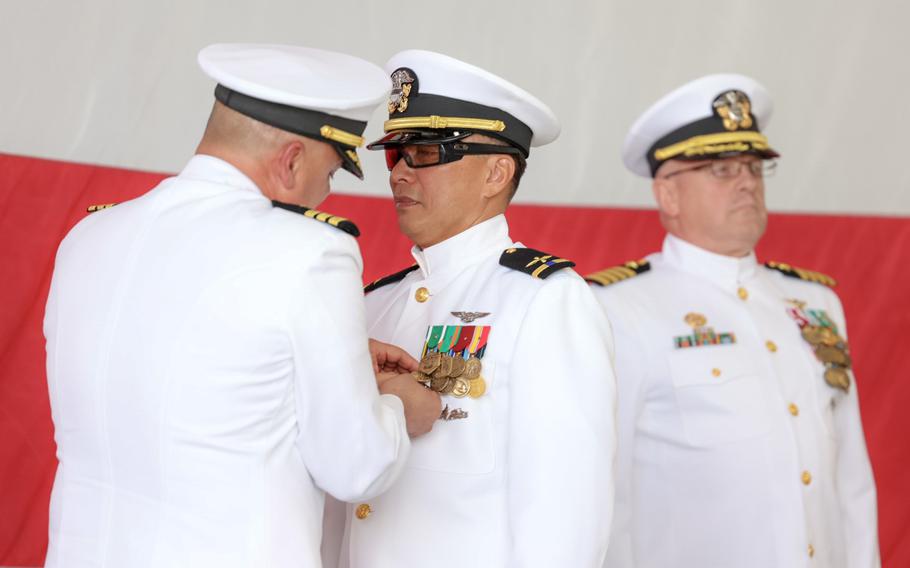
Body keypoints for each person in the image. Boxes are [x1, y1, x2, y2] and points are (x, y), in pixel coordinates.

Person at [42, 43, 440, 567]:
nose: (325, 191)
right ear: (292, 160)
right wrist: (400, 406)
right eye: (332, 172)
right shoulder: (309, 252)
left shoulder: (89, 236)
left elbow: (177, 364)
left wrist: (323, 361)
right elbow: (355, 467)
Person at [328, 49, 617, 568]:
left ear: (496, 173)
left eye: (427, 152)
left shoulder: (543, 297)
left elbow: (565, 510)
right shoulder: (373, 303)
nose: (398, 174)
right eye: (394, 154)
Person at [587, 73, 879, 568]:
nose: (745, 181)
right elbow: (607, 496)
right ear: (668, 195)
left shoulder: (814, 302)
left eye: (753, 167)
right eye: (720, 169)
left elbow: (850, 478)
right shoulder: (615, 308)